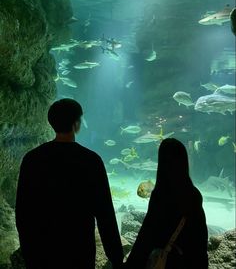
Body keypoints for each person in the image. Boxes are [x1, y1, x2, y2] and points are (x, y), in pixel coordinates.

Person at [15, 98, 124, 269]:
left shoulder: (32, 159)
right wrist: (116, 256)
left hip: (41, 248)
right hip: (79, 248)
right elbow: (105, 214)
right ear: (76, 124)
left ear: (52, 123)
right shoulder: (91, 161)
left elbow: (22, 212)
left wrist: (29, 251)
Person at [124, 138, 208, 269]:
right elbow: (200, 237)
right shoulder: (194, 194)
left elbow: (146, 235)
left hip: (165, 261)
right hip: (187, 261)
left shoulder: (160, 195)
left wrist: (131, 264)